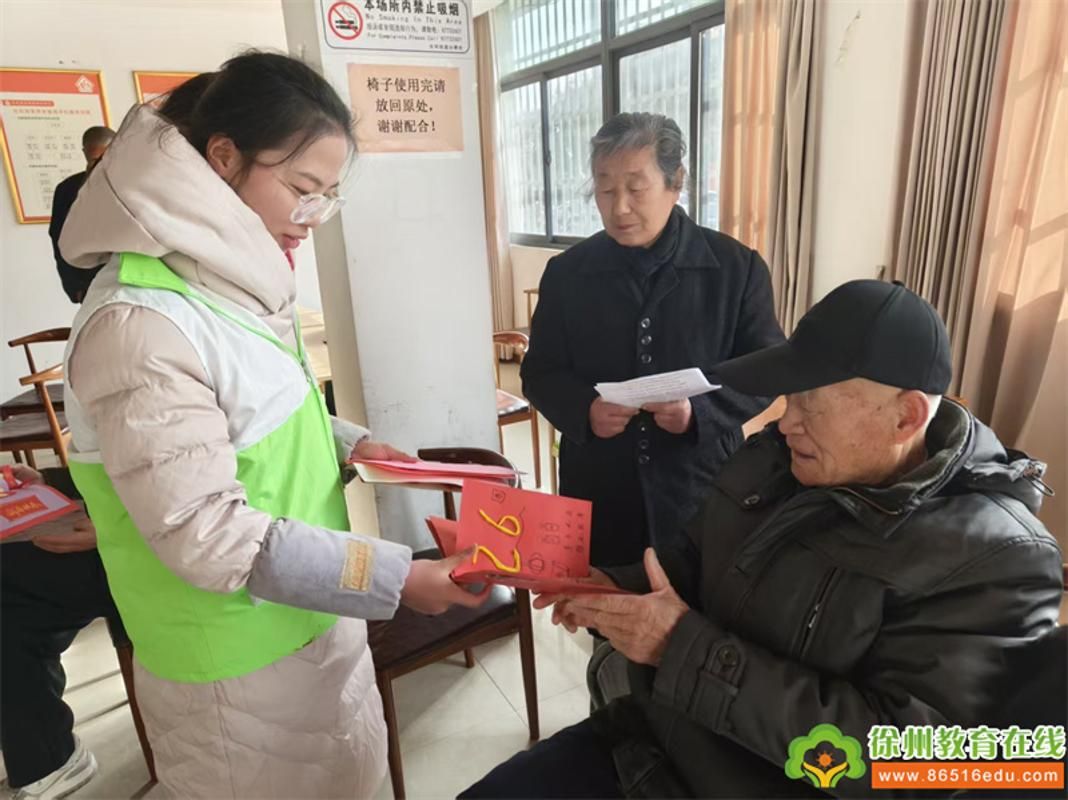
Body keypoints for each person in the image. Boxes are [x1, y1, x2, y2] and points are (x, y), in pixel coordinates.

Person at [56, 52, 488, 799]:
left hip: (317, 616)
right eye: (300, 189)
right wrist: (397, 577)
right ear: (224, 158)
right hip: (234, 669)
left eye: (326, 198)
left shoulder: (228, 287)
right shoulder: (139, 323)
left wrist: (349, 443)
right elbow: (207, 534)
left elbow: (259, 409)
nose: (310, 219)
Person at [464, 279, 1065, 798]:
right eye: (788, 398)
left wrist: (681, 648)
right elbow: (690, 562)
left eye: (812, 404)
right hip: (648, 741)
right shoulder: (775, 460)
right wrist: (612, 588)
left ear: (905, 416)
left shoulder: (996, 560)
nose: (786, 422)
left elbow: (902, 769)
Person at [521, 112, 784, 568]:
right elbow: (539, 373)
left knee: (701, 595)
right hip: (601, 489)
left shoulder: (735, 269)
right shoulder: (567, 274)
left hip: (702, 485)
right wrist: (585, 409)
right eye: (605, 190)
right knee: (603, 600)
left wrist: (699, 413)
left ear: (675, 182)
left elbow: (768, 368)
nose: (619, 207)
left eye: (635, 188)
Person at [1, 466, 114, 800]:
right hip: (123, 521)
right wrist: (53, 484)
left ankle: (46, 757)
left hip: (155, 548)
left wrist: (118, 528)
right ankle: (45, 757)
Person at [47, 126, 115, 303]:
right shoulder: (67, 189)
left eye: (105, 158)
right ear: (84, 153)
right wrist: (74, 288)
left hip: (129, 277)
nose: (100, 166)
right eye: (94, 160)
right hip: (88, 283)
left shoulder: (129, 183)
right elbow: (58, 239)